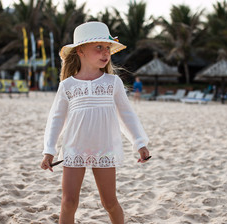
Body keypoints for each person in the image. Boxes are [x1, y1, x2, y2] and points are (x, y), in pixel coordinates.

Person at [40, 22, 150, 224]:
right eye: (98, 47)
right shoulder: (68, 85)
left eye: (107, 47)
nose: (105, 52)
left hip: (105, 150)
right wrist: (49, 150)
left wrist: (140, 142)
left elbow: (126, 114)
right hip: (74, 149)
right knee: (68, 203)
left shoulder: (112, 83)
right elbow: (56, 119)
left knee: (109, 202)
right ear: (80, 51)